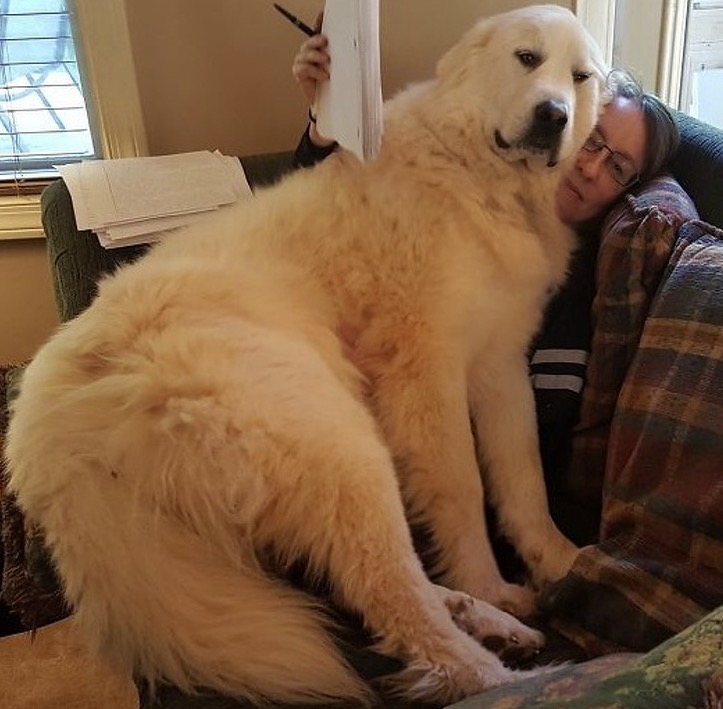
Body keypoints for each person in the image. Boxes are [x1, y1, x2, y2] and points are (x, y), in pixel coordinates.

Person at [288, 31, 680, 549]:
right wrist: (323, 120)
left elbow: (528, 427)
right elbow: (324, 223)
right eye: (591, 141)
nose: (589, 167)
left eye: (617, 167)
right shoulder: (463, 189)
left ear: (625, 192)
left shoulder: (581, 289)